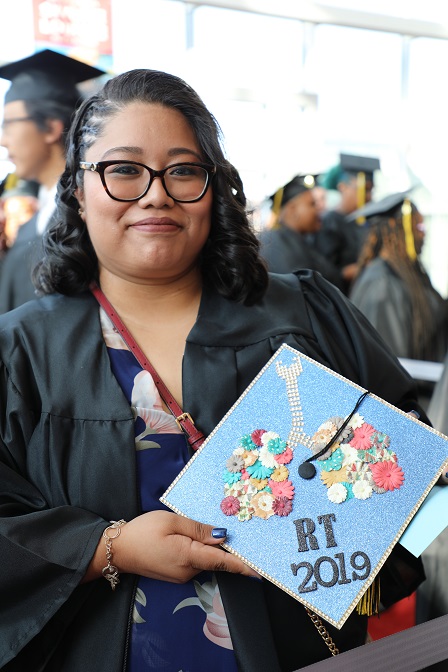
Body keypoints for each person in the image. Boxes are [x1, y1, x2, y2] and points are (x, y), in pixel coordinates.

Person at [0, 69, 426, 672]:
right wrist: (105, 547)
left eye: (183, 170)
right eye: (123, 170)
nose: (156, 194)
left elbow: (405, 450)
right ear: (77, 190)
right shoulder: (20, 350)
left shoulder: (304, 312)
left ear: (213, 187)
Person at [0, 48, 104, 312]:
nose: (3, 140)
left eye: (9, 124)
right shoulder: (29, 226)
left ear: (50, 127)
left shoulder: (91, 218)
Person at [349, 192, 448, 364]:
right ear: (399, 228)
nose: (423, 235)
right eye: (419, 227)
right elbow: (390, 362)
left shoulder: (408, 274)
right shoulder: (382, 284)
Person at [258, 174, 343, 289]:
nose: (319, 209)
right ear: (293, 209)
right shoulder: (275, 244)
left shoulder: (299, 239)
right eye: (312, 204)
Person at [312, 154, 380, 292]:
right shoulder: (330, 221)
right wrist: (352, 271)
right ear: (343, 187)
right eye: (364, 189)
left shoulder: (368, 221)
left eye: (371, 190)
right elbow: (322, 272)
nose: (369, 196)